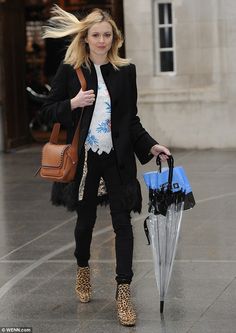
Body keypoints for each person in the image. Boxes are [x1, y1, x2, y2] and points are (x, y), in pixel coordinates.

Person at [41, 5, 170, 327]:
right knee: (84, 225)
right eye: (96, 35)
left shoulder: (125, 71)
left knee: (122, 225)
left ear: (115, 38)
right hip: (85, 159)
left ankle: (123, 293)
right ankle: (83, 269)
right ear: (85, 38)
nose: (101, 40)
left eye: (107, 35)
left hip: (118, 158)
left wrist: (151, 145)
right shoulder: (70, 70)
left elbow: (131, 121)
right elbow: (46, 112)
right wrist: (71, 104)